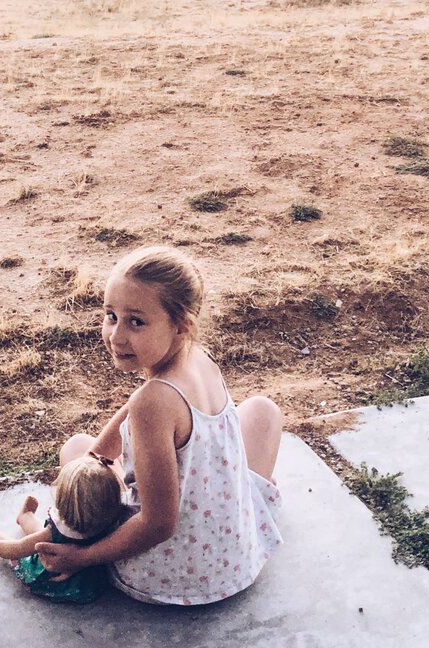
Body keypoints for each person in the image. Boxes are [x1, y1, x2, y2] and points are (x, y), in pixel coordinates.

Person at [34, 245, 283, 606]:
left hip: (169, 576)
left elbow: (158, 524)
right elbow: (138, 405)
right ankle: (243, 512)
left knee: (74, 449)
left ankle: (96, 542)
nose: (117, 336)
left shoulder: (153, 403)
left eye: (136, 321)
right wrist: (100, 451)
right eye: (110, 315)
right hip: (235, 560)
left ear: (181, 325)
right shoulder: (198, 358)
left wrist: (83, 557)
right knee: (261, 410)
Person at [0, 452, 123, 604]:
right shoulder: (107, 520)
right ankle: (25, 517)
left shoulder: (55, 531)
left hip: (57, 581)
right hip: (88, 586)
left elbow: (18, 548)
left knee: (29, 549)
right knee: (44, 534)